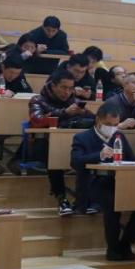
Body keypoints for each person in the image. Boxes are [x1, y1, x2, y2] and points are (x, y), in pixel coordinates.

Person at [70, 101, 135, 260]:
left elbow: (132, 159)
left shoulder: (118, 136)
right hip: (94, 183)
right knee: (112, 202)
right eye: (108, 124)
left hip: (119, 182)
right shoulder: (82, 138)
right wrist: (99, 155)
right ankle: (112, 248)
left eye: (115, 124)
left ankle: (125, 243)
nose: (112, 128)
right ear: (98, 120)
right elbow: (76, 162)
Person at [26, 71, 94, 215]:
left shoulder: (73, 101)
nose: (67, 92)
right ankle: (62, 199)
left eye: (70, 88)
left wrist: (84, 113)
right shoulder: (37, 100)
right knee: (54, 155)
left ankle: (85, 200)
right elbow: (37, 121)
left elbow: (94, 119)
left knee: (88, 154)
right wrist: (64, 113)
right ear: (53, 86)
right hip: (42, 144)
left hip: (70, 144)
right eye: (64, 87)